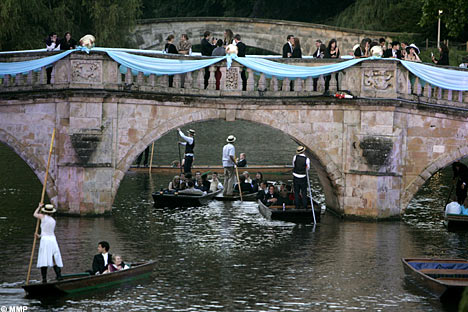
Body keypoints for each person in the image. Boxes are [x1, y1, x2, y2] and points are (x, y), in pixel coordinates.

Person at [34, 203, 63, 283]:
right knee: (54, 257)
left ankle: (44, 279)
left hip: (45, 240)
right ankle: (59, 276)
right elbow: (48, 232)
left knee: (44, 258)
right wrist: (39, 236)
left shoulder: (42, 217)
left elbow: (35, 214)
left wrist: (39, 206)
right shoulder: (53, 221)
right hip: (52, 239)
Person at [292, 146, 310, 210]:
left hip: (296, 176)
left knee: (296, 192)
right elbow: (308, 168)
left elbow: (293, 165)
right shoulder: (307, 159)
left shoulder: (295, 157)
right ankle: (305, 206)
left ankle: (297, 206)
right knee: (304, 192)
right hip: (303, 177)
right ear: (303, 151)